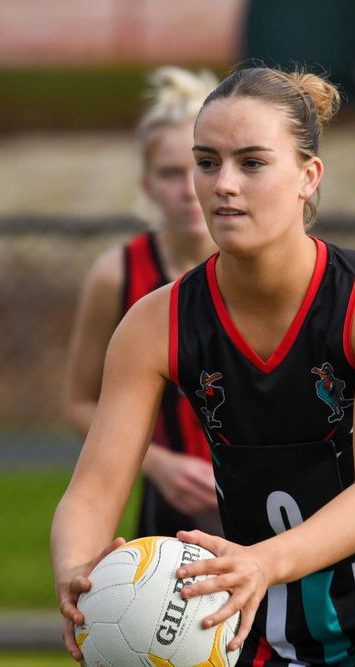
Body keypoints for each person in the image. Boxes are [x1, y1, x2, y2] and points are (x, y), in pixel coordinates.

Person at [52, 66, 355, 666]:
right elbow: (92, 491)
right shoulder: (155, 323)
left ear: (308, 176)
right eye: (207, 162)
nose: (224, 184)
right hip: (274, 628)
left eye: (252, 163)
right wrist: (75, 570)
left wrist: (261, 560)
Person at [63, 66, 222, 538]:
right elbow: (78, 402)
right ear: (146, 185)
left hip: (269, 498)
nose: (187, 188)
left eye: (201, 166)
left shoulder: (264, 267)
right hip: (172, 508)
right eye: (169, 173)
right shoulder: (119, 275)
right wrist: (161, 465)